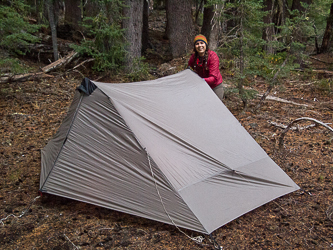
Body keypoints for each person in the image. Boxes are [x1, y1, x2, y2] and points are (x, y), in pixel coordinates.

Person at [188, 34, 224, 101]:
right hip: (201, 86)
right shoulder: (193, 58)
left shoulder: (213, 56)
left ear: (206, 45)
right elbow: (189, 70)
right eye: (197, 44)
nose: (200, 46)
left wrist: (200, 80)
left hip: (215, 86)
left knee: (216, 107)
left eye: (202, 43)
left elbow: (214, 78)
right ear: (195, 47)